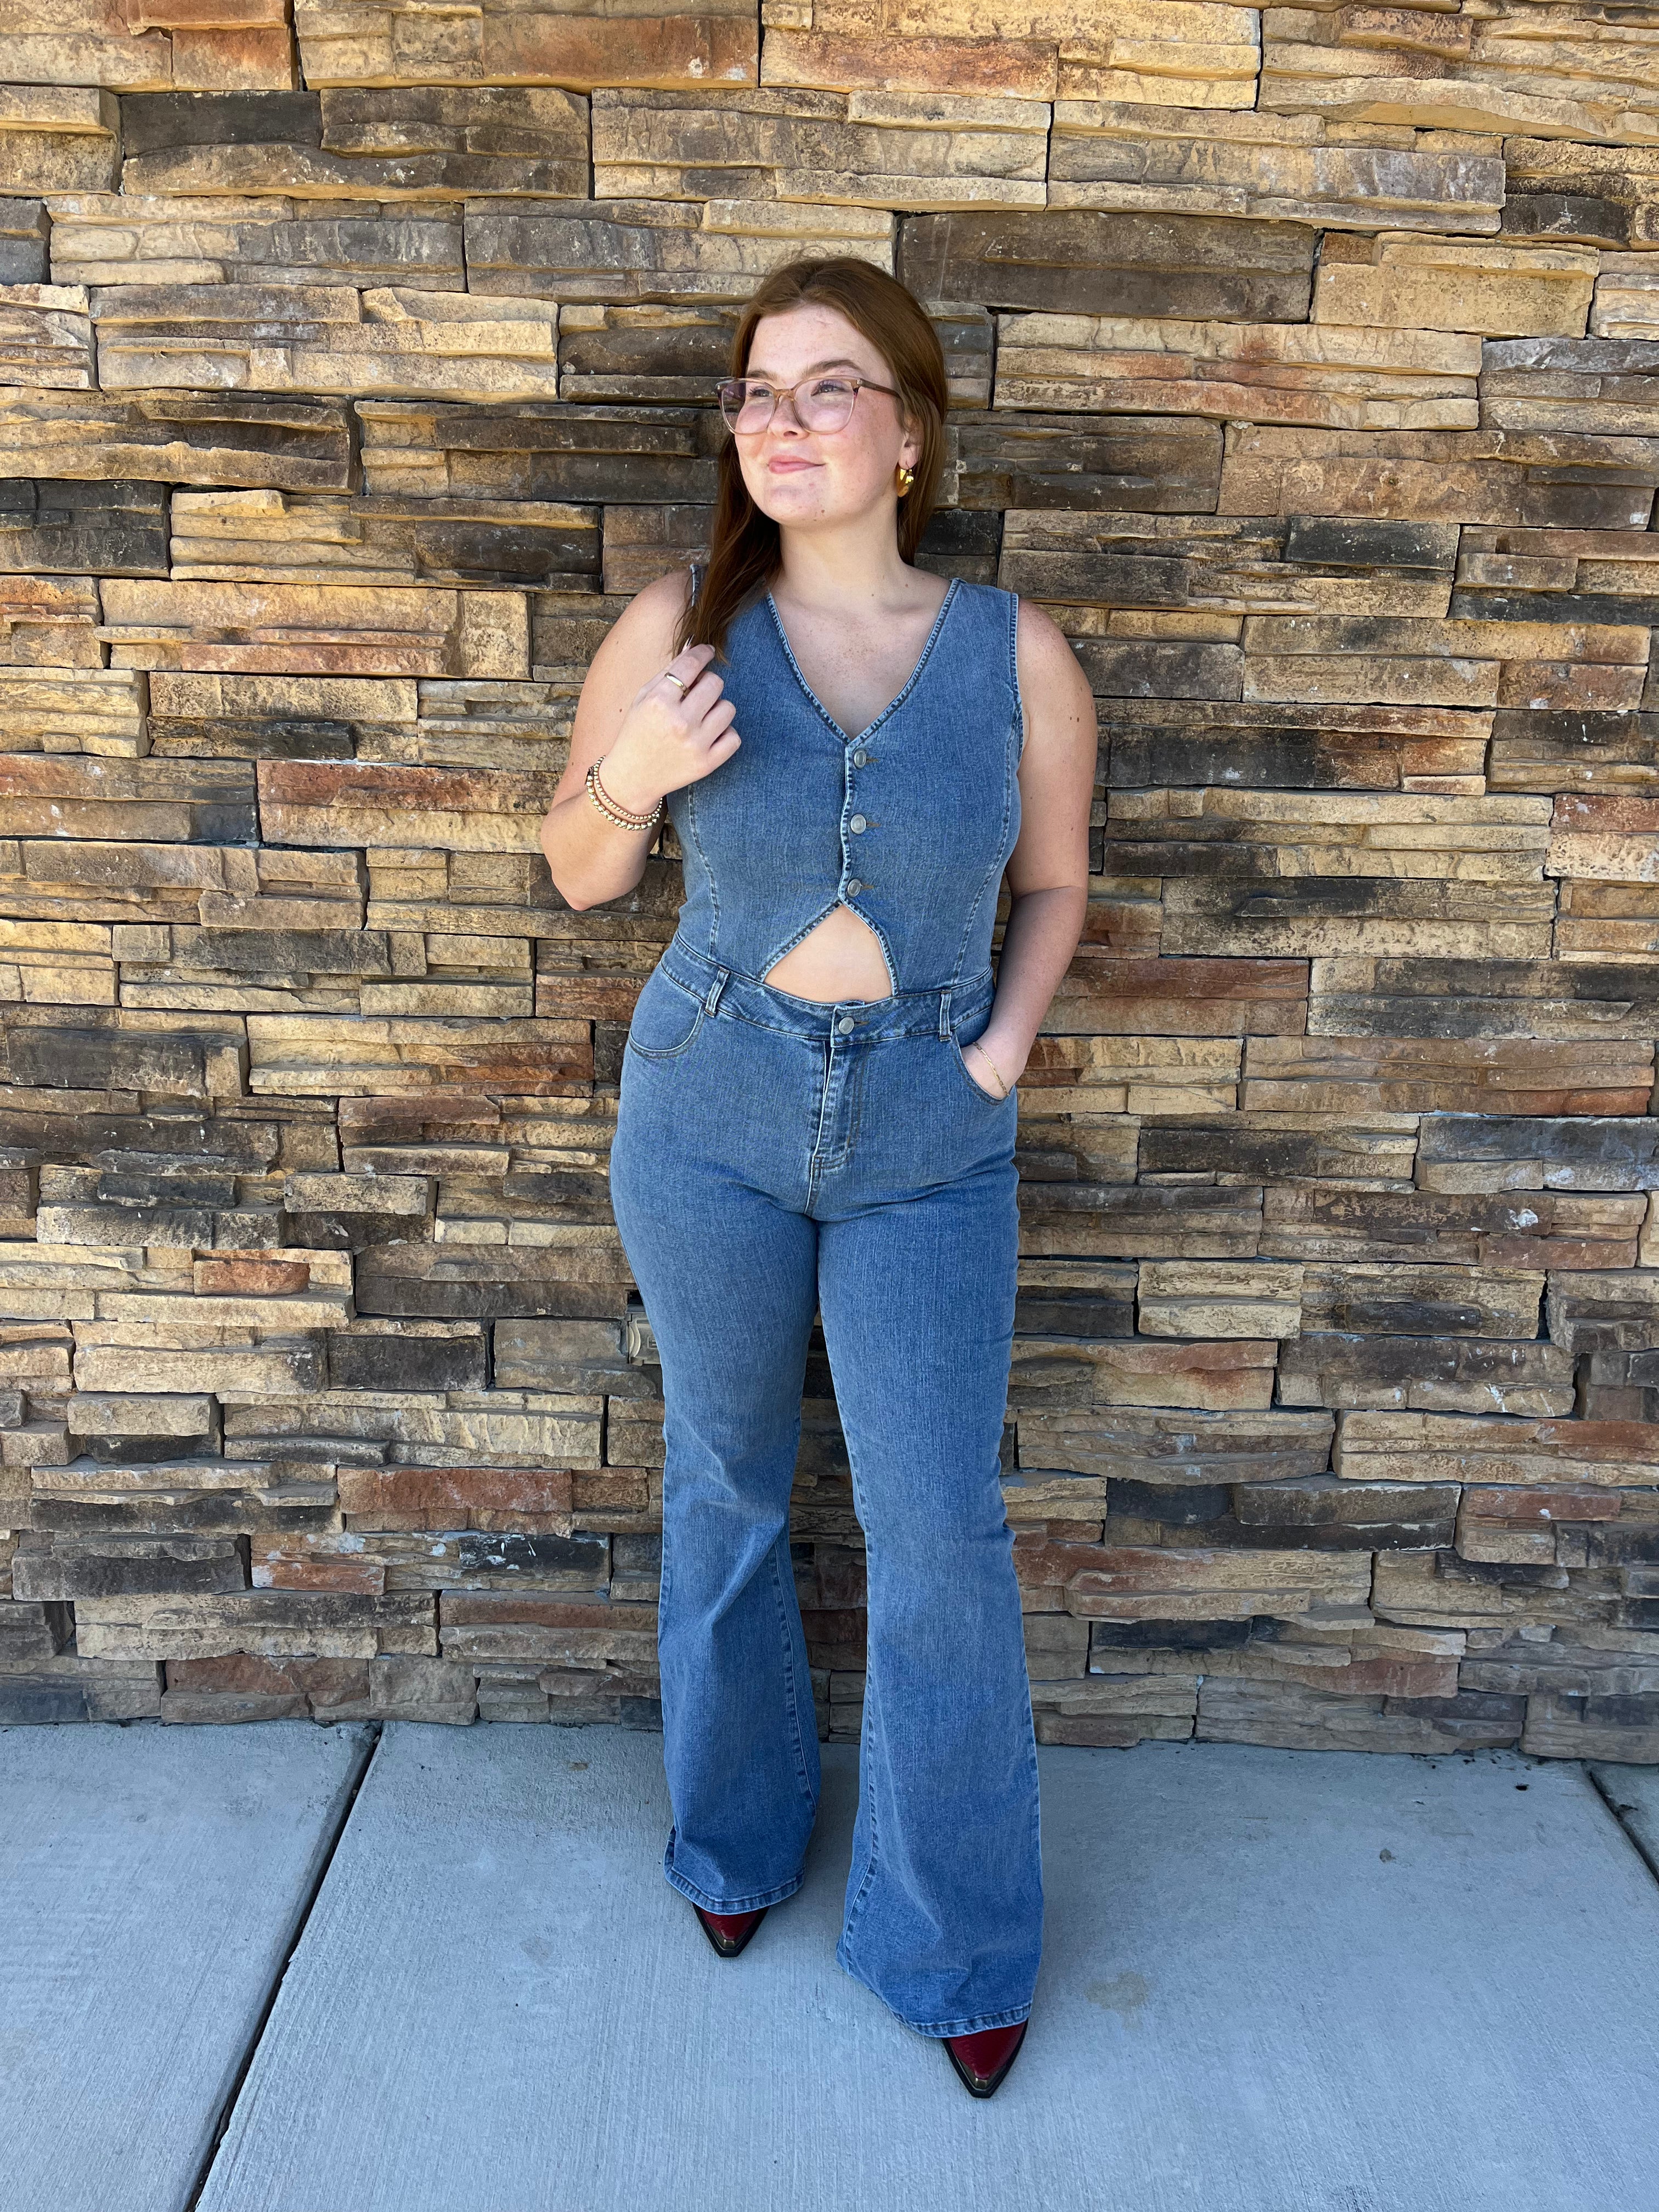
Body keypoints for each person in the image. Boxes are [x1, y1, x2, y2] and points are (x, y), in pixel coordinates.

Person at [538, 256, 1097, 2099]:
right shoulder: (682, 625)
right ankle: (734, 1837)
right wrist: (629, 773)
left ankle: (955, 1939)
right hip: (707, 1113)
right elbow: (580, 875)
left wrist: (1000, 1052)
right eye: (757, 392)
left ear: (911, 431)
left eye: (828, 386)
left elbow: (1056, 882)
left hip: (933, 1139)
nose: (781, 422)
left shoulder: (1013, 652)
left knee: (940, 1530)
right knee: (727, 1481)